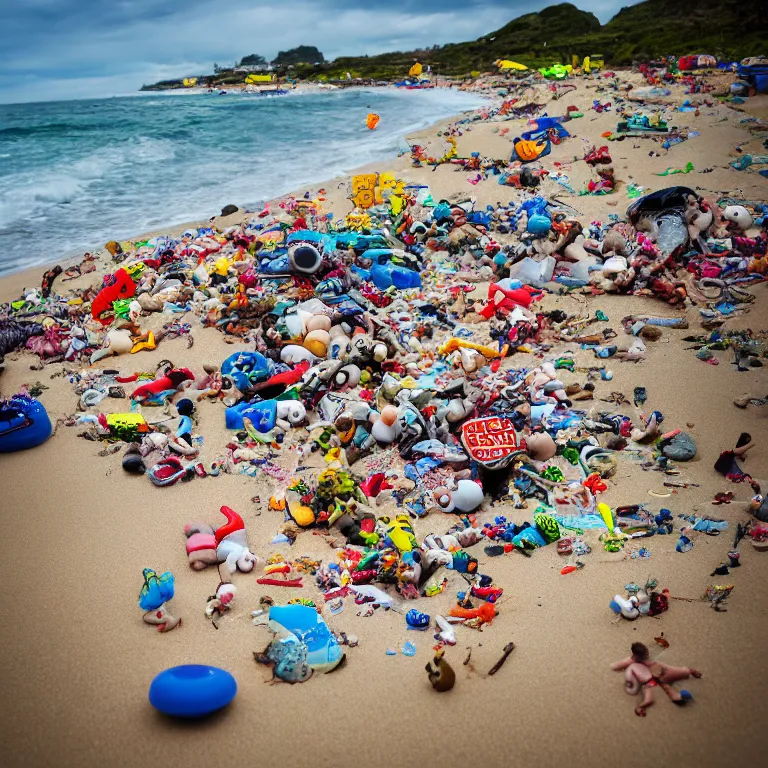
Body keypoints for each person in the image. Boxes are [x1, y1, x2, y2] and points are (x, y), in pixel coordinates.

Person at [611, 642, 702, 716]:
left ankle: (689, 673)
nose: (646, 656)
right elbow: (614, 666)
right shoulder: (631, 661)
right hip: (650, 679)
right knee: (654, 690)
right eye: (643, 655)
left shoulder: (647, 661)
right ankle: (675, 696)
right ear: (635, 655)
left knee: (681, 672)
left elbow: (657, 666)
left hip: (660, 671)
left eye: (646, 654)